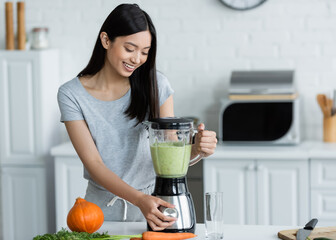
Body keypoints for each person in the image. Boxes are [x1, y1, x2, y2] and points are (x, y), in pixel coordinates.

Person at [57, 3, 217, 231]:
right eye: (130, 49)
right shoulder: (71, 94)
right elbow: (93, 164)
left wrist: (197, 149)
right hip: (98, 214)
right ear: (105, 40)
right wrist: (138, 199)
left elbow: (169, 150)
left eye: (145, 52)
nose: (137, 59)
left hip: (153, 209)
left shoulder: (156, 85)